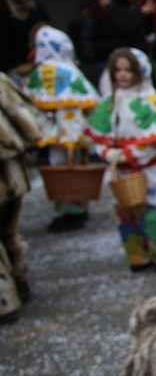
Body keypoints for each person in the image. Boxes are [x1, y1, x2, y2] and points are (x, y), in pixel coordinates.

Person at [87, 48, 156, 272]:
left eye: (128, 70)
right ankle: (137, 255)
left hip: (147, 171)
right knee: (124, 214)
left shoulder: (148, 101)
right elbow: (99, 135)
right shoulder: (109, 101)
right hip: (118, 171)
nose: (122, 75)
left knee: (150, 211)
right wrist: (107, 153)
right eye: (118, 70)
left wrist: (131, 154)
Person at [22, 25, 101, 231]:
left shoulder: (45, 71)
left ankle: (72, 210)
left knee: (61, 168)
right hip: (73, 128)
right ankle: (72, 208)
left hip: (59, 130)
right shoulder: (70, 70)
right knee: (68, 168)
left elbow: (30, 99)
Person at [0, 70, 40, 322]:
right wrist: (33, 140)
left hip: (7, 168)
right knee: (8, 229)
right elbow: (21, 113)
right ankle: (19, 279)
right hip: (10, 167)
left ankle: (6, 300)